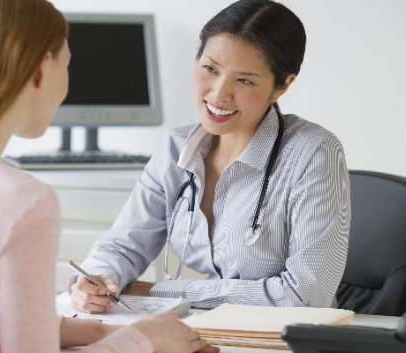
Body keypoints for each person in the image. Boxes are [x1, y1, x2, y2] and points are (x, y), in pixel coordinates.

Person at [0, 1, 219, 352]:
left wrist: (97, 333)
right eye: (68, 64)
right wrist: (147, 340)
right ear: (42, 68)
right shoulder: (19, 200)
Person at [70, 0, 351, 313]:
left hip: (284, 339)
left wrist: (162, 291)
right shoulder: (176, 148)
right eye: (210, 69)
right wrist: (100, 276)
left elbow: (306, 296)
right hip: (203, 328)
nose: (218, 94)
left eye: (244, 80)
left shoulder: (313, 153)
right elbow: (125, 243)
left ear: (282, 85)